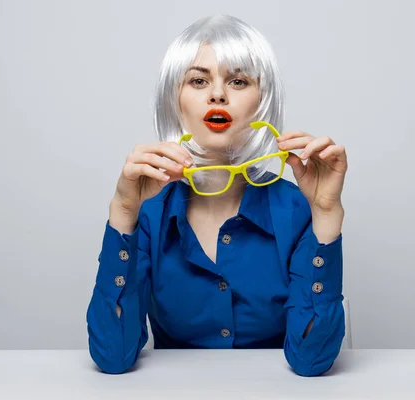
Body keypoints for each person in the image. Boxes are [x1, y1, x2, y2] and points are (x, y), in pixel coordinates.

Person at [86, 14, 348, 377]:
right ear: (175, 101)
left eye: (238, 80)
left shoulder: (295, 210)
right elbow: (112, 357)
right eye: (198, 80)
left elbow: (311, 361)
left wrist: (326, 215)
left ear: (262, 102)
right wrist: (123, 210)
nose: (218, 94)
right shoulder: (148, 213)